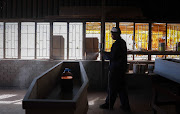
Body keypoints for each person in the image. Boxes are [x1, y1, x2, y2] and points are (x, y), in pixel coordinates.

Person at [99, 27, 131, 111]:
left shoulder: (117, 44)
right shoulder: (122, 42)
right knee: (122, 88)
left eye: (112, 34)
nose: (111, 36)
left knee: (112, 88)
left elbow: (112, 57)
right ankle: (125, 106)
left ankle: (109, 104)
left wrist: (103, 54)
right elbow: (115, 55)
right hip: (121, 69)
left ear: (117, 34)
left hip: (115, 70)